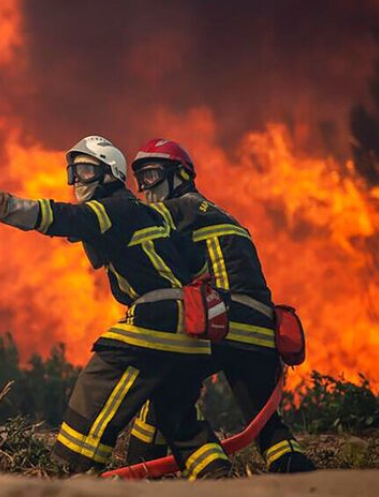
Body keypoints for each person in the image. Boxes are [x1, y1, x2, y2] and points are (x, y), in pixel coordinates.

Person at [0, 136, 231, 479]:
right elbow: (196, 265)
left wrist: (7, 206)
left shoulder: (114, 206)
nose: (77, 180)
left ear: (110, 174)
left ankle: (70, 472)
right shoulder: (151, 214)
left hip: (158, 319)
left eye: (87, 170)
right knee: (176, 414)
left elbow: (65, 217)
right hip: (192, 331)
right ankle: (217, 476)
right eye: (73, 172)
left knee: (96, 384)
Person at [126, 138, 316, 473]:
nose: (145, 187)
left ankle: (204, 467)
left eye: (152, 175)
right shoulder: (221, 214)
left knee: (166, 390)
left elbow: (133, 225)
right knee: (264, 417)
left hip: (222, 322)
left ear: (180, 175)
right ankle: (293, 467)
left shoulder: (177, 210)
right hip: (261, 329)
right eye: (140, 179)